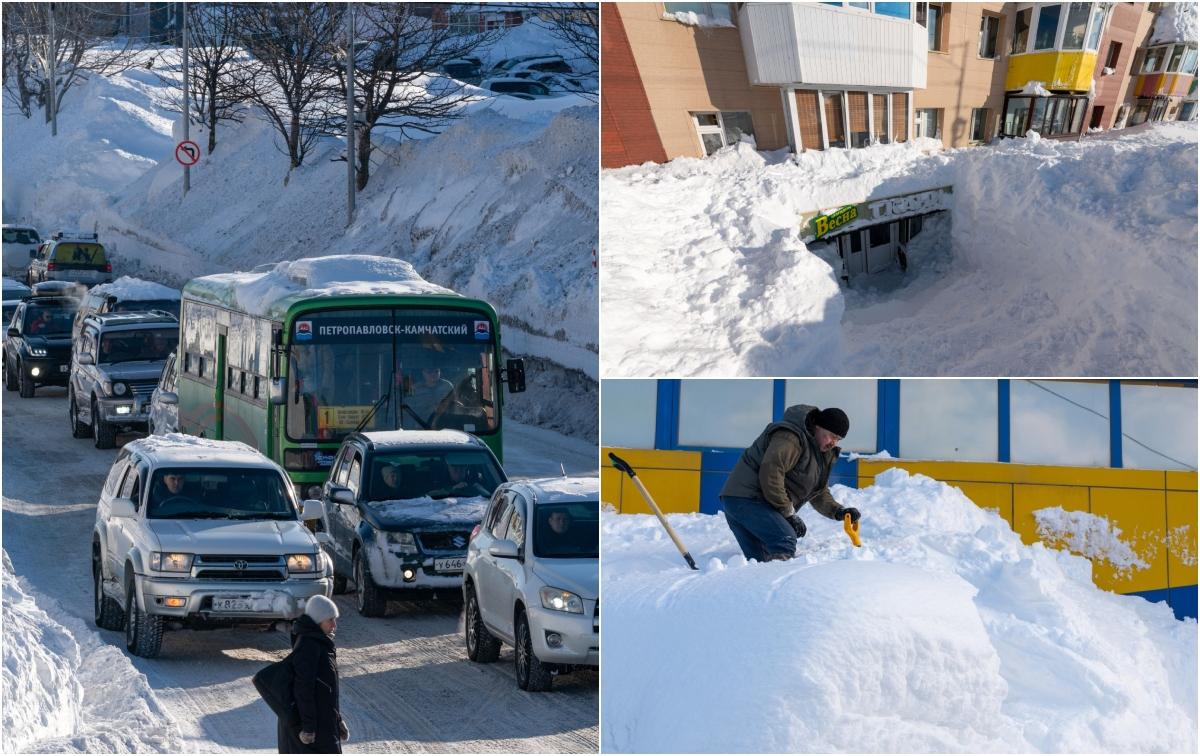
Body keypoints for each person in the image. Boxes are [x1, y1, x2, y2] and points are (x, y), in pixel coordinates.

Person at [718, 405, 862, 562]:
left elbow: (818, 491)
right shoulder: (790, 438)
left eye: (838, 439)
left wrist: (838, 511)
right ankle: (784, 585)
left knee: (762, 560)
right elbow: (771, 472)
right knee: (784, 540)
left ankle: (759, 585)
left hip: (747, 501)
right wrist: (788, 513)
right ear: (818, 427)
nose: (833, 443)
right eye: (831, 436)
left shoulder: (817, 453)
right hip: (747, 498)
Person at [278, 595, 348, 754]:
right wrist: (308, 729)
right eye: (330, 620)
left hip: (325, 724)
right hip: (316, 730)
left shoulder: (322, 644)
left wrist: (337, 720)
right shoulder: (308, 647)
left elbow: (326, 691)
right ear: (318, 621)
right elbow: (303, 690)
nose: (334, 625)